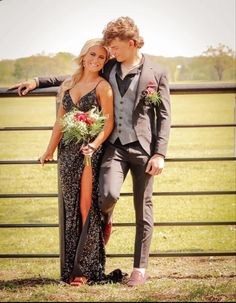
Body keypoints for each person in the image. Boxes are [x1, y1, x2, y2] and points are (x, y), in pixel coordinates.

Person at [11, 16, 171, 287]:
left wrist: (160, 153)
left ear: (131, 43)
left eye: (116, 48)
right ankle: (103, 223)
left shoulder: (157, 73)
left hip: (144, 150)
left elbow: (164, 115)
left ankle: (139, 270)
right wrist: (38, 81)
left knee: (143, 209)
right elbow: (77, 76)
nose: (111, 53)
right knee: (105, 196)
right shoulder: (108, 67)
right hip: (114, 149)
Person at [29, 38, 114, 286]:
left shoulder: (103, 86)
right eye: (92, 55)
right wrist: (49, 150)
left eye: (101, 58)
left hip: (89, 152)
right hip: (67, 151)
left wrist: (94, 145)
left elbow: (108, 123)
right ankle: (70, 266)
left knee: (86, 207)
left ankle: (85, 270)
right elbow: (59, 121)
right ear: (83, 56)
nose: (96, 61)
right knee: (70, 208)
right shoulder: (68, 84)